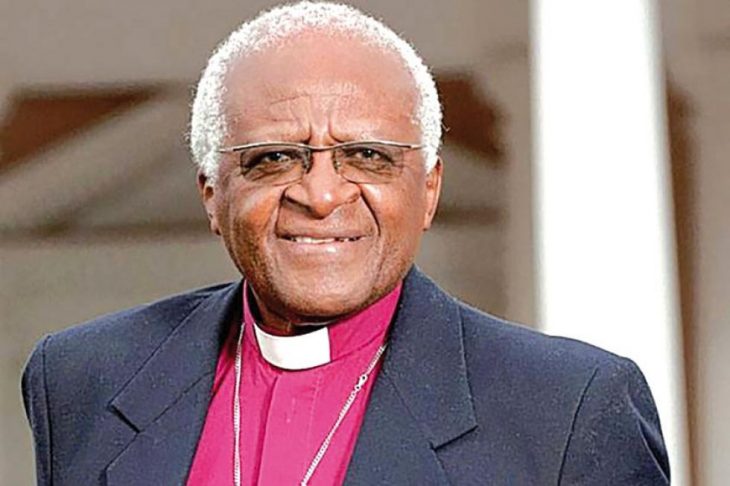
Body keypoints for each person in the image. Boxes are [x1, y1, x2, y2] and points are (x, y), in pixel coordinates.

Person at [21, 2, 670, 485]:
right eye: (274, 157)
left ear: (429, 190)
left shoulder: (569, 409)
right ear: (213, 194)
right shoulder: (82, 378)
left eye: (368, 156)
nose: (322, 194)